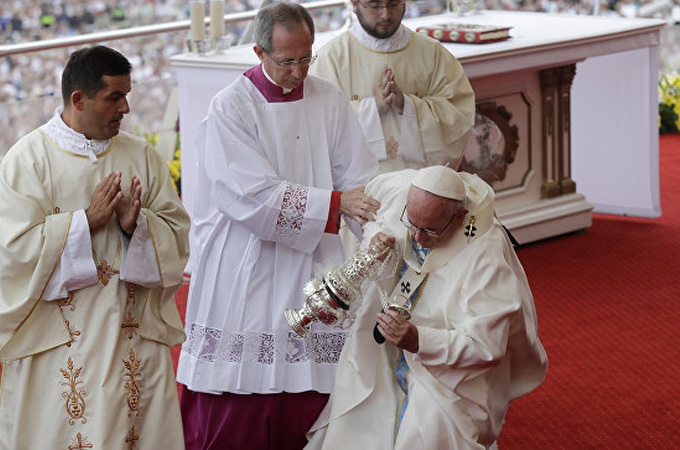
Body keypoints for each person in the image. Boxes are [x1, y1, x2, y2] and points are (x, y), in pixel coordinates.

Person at [175, 3, 380, 449]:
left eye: (306, 58)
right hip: (246, 257)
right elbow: (249, 195)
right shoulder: (230, 106)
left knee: (317, 370)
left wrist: (376, 229)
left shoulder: (328, 98)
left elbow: (357, 174)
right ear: (259, 51)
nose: (298, 71)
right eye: (287, 61)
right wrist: (336, 204)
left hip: (315, 257)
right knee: (242, 382)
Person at [0, 46, 190, 449]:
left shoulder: (141, 155)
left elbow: (176, 234)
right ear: (78, 99)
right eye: (114, 97)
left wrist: (136, 225)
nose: (125, 107)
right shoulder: (27, 161)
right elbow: (10, 253)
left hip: (131, 336)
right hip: (57, 345)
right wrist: (82, 224)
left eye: (127, 95)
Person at [305, 165, 548, 449]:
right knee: (359, 409)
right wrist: (375, 237)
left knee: (429, 429)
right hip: (387, 339)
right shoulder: (400, 189)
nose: (417, 238)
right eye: (412, 224)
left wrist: (419, 340)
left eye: (429, 230)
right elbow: (371, 217)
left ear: (458, 218)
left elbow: (488, 345)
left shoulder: (486, 252)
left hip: (447, 370)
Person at [310, 0, 476, 173]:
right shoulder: (331, 58)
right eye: (374, 6)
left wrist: (408, 106)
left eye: (394, 4)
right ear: (354, 4)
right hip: (357, 189)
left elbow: (459, 115)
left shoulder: (432, 52)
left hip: (421, 185)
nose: (386, 14)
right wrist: (371, 108)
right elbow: (317, 125)